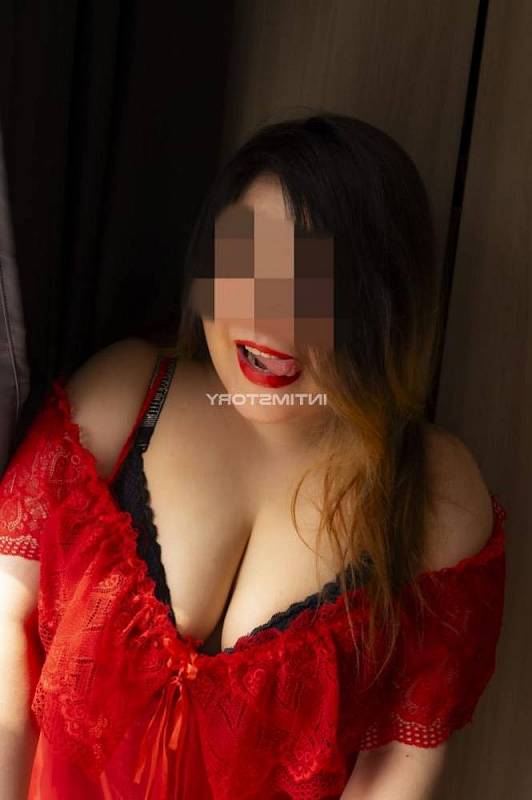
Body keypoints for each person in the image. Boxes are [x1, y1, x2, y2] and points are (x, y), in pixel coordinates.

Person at [0, 114, 506, 799]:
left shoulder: (434, 493)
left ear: (384, 306)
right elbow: (5, 613)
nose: (272, 317)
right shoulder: (123, 398)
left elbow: (398, 767)